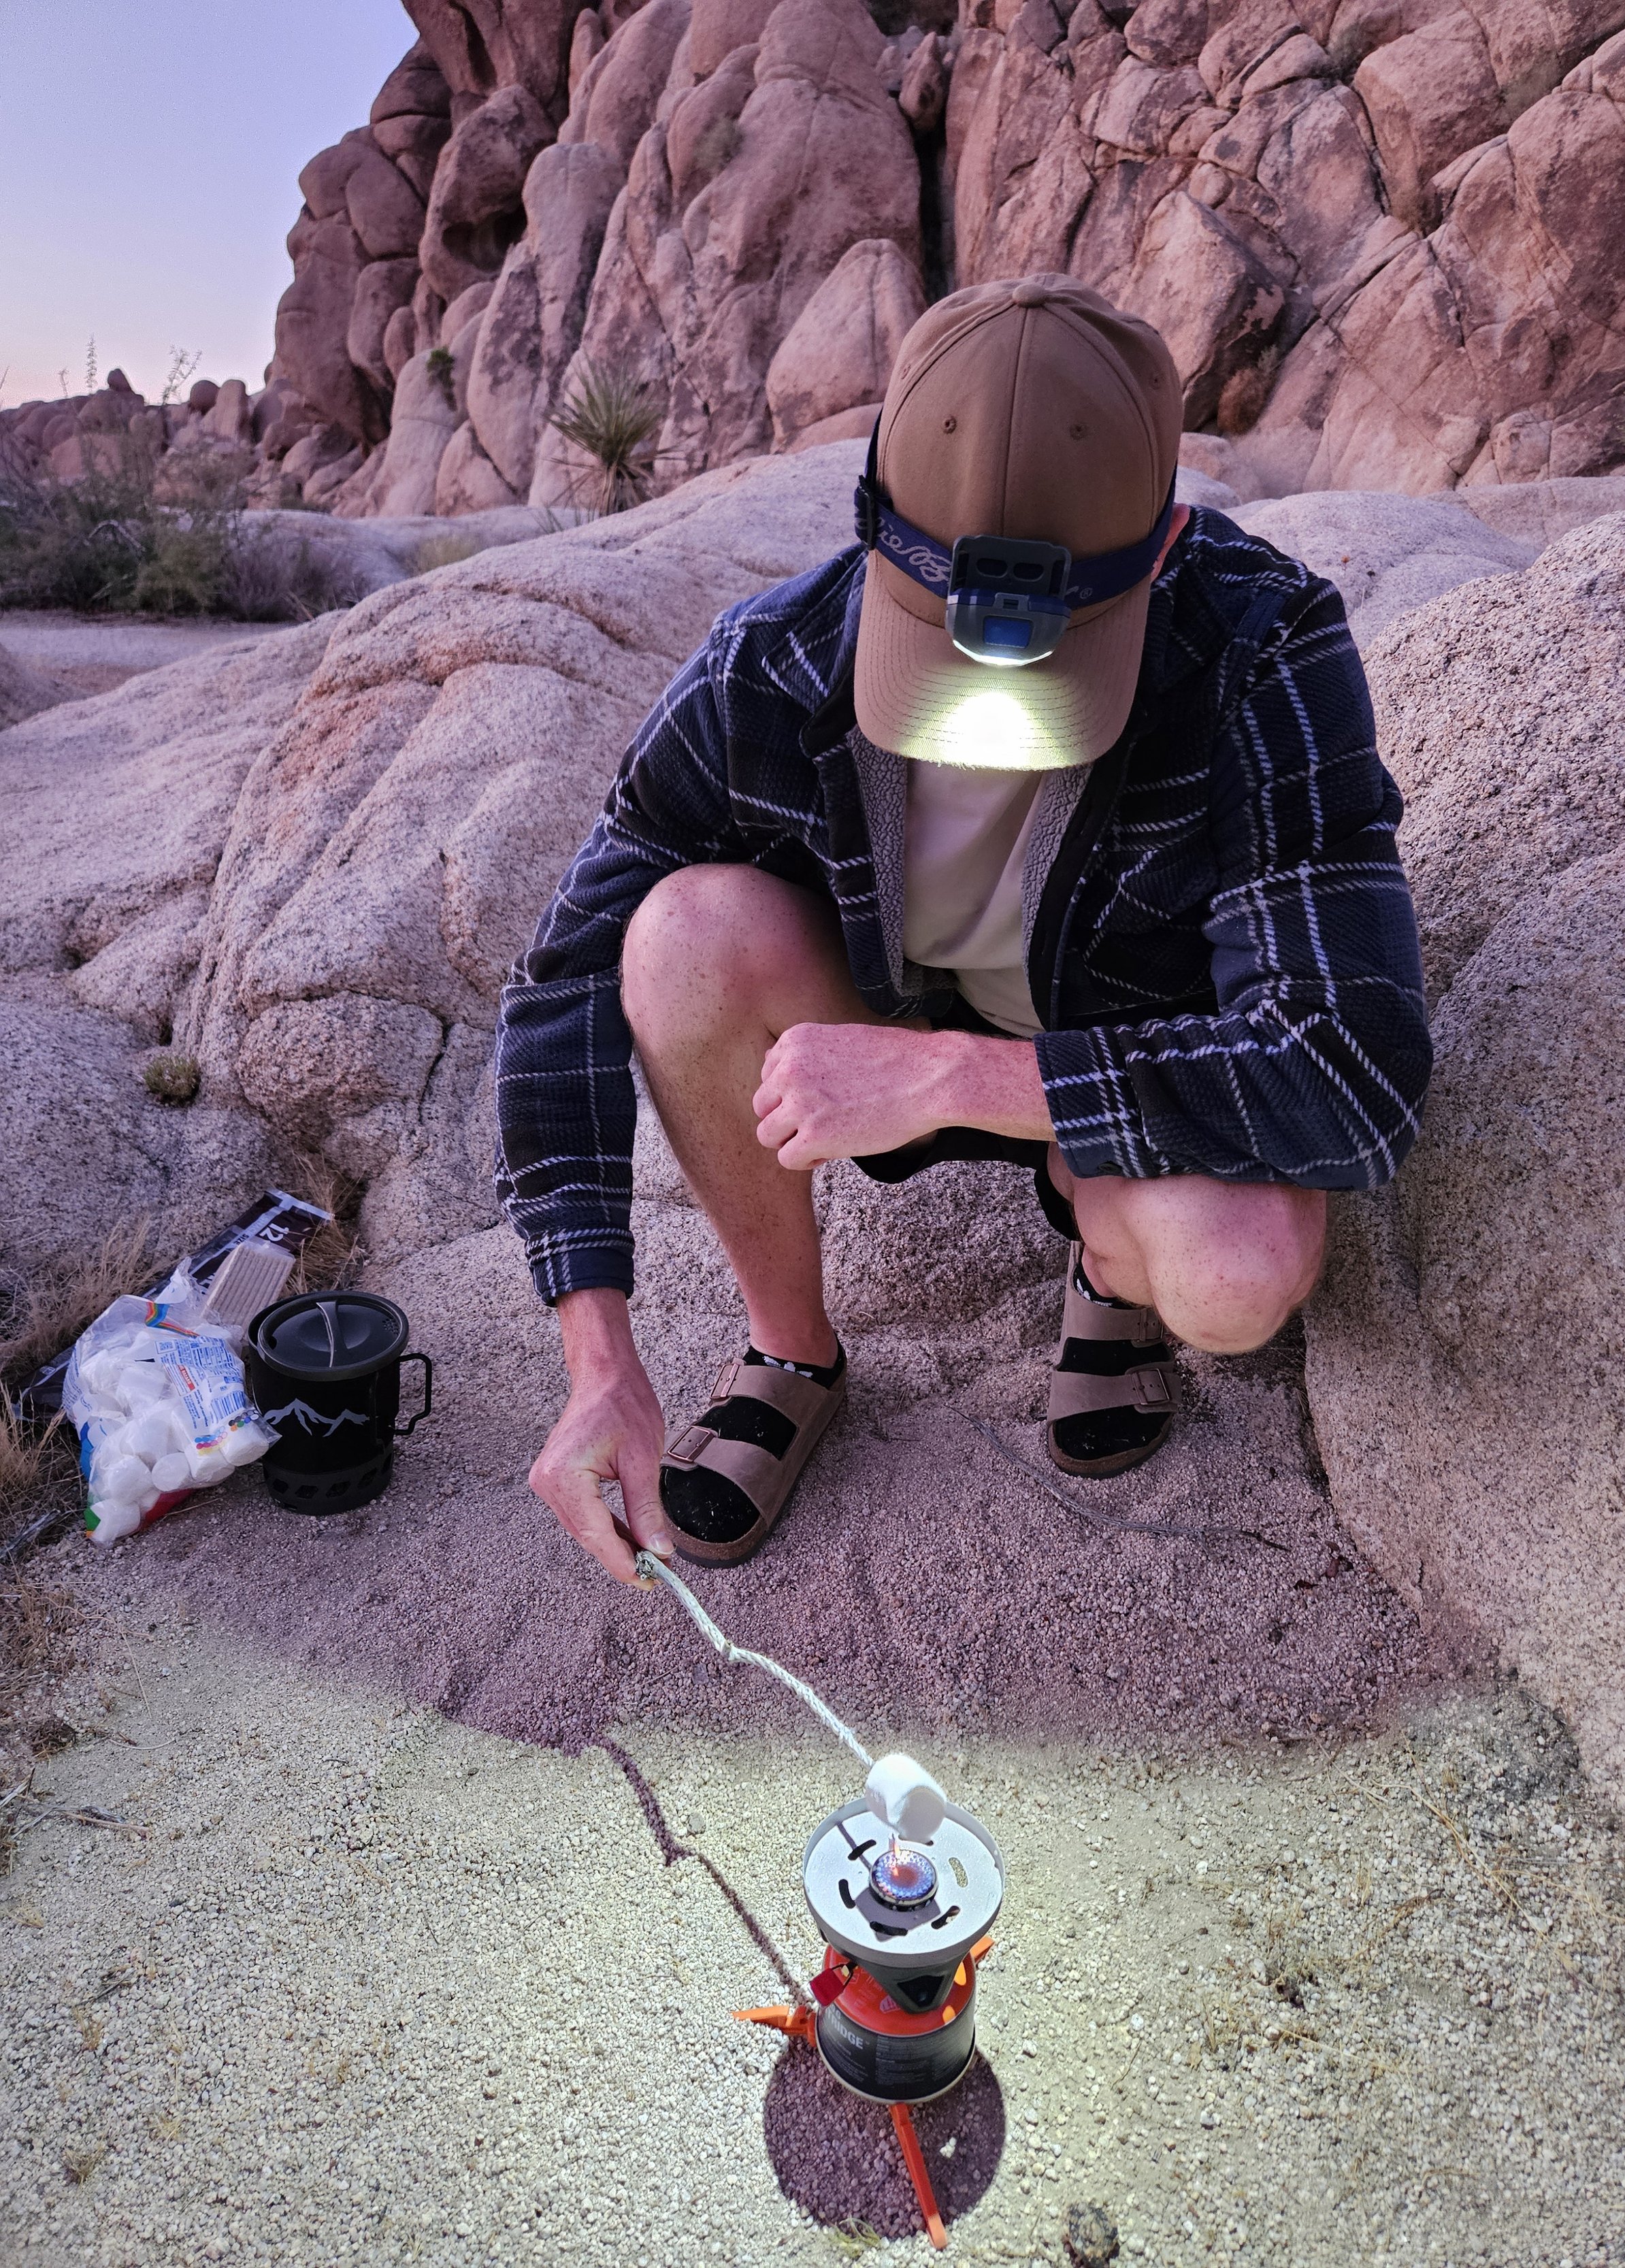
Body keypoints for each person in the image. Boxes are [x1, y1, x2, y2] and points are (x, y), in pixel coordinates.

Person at [495, 275, 1430, 1585]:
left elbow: (1356, 1071)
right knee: (675, 938)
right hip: (881, 1012)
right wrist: (599, 1355)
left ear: (1164, 549)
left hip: (1102, 1054)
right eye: (933, 642)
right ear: (871, 522)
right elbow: (564, 975)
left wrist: (953, 1077)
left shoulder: (1260, 646)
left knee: (1236, 1272)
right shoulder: (768, 664)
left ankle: (1106, 1254)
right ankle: (788, 1348)